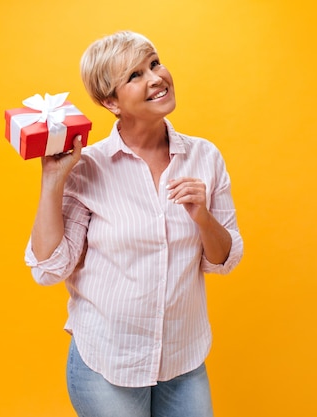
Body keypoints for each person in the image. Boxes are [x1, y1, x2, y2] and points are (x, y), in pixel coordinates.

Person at [24, 31, 244, 417]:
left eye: (155, 63)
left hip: (183, 360)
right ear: (110, 102)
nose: (156, 78)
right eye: (135, 75)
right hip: (107, 363)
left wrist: (202, 216)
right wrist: (52, 180)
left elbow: (223, 260)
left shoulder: (205, 157)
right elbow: (48, 268)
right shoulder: (88, 168)